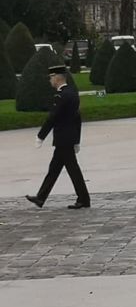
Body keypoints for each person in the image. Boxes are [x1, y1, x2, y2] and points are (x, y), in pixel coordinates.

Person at [26, 65, 90, 209]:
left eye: (51, 77)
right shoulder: (72, 93)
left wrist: (41, 136)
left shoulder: (61, 95)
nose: (50, 80)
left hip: (63, 139)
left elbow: (53, 117)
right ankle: (41, 198)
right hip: (68, 138)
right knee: (55, 169)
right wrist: (77, 140)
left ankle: (84, 199)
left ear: (57, 78)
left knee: (72, 170)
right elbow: (77, 118)